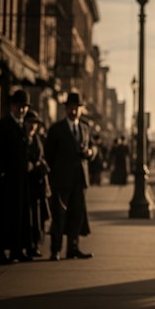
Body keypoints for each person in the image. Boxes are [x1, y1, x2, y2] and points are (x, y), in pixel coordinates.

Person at [0, 89, 34, 264]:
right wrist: (0, 170)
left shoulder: (23, 127)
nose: (22, 110)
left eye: (25, 107)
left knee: (19, 215)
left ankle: (17, 250)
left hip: (20, 180)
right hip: (4, 181)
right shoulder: (1, 126)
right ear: (12, 106)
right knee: (1, 216)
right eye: (19, 106)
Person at [44, 92, 96, 260]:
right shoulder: (57, 129)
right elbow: (49, 155)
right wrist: (51, 179)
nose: (73, 111)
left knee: (76, 215)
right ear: (66, 109)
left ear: (81, 110)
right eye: (70, 108)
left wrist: (90, 152)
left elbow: (93, 147)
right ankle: (55, 250)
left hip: (80, 179)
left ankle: (73, 248)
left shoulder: (85, 128)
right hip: (62, 180)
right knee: (59, 216)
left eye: (76, 108)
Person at [24, 110, 51, 258]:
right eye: (30, 123)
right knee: (26, 215)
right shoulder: (22, 138)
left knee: (37, 215)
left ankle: (35, 245)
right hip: (24, 183)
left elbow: (43, 157)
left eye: (35, 123)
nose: (32, 126)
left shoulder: (38, 139)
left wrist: (39, 164)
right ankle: (26, 245)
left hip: (37, 183)